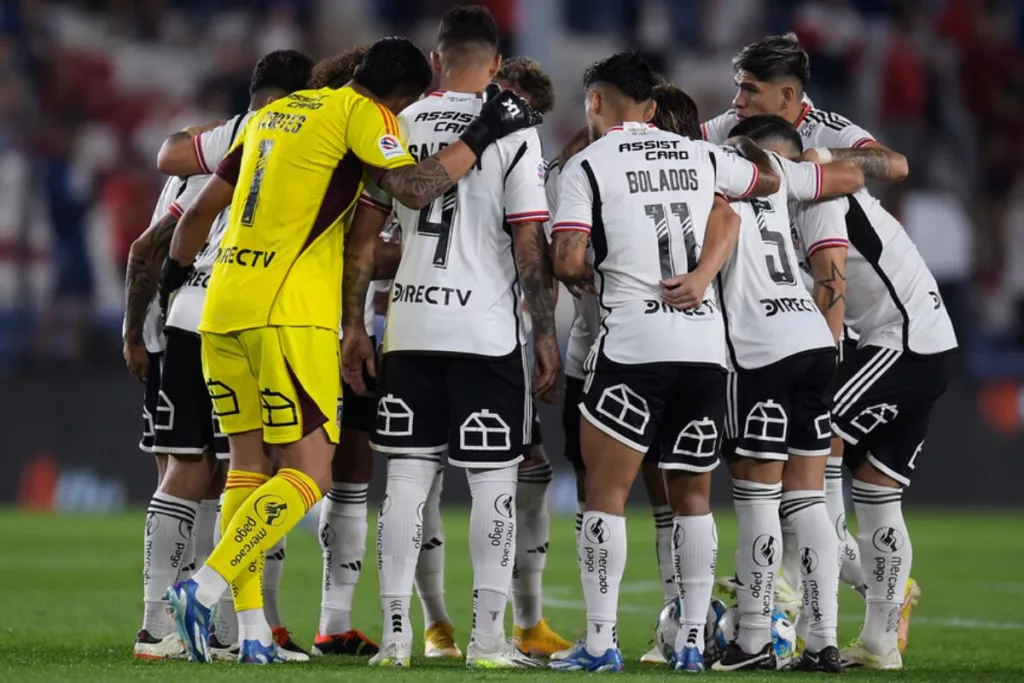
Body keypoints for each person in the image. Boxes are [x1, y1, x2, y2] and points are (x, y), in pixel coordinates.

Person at [158, 35, 541, 665]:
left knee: (248, 465)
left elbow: (200, 208)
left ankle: (252, 633)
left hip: (221, 308)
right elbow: (414, 189)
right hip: (288, 315)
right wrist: (483, 132)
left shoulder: (276, 112)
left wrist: (176, 282)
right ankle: (204, 587)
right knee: (310, 475)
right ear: (405, 98)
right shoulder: (365, 116)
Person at [547, 52, 776, 674]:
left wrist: (601, 269)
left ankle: (599, 643)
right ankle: (694, 644)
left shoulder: (586, 164)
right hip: (705, 346)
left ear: (593, 102)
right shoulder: (703, 155)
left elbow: (568, 259)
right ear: (653, 107)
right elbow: (767, 183)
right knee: (694, 497)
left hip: (634, 345)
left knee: (605, 494)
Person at [343, 7, 557, 668]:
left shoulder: (399, 123)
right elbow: (528, 240)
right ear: (495, 65)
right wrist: (543, 330)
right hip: (485, 330)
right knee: (494, 484)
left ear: (437, 60)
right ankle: (490, 640)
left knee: (405, 483)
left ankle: (400, 636)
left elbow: (360, 243)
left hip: (407, 324)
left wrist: (355, 324)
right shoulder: (517, 129)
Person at [702, 32, 921, 640]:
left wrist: (818, 166)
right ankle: (872, 592)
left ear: (790, 96)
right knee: (804, 476)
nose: (737, 100)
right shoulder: (726, 128)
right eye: (737, 86)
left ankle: (785, 600)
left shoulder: (827, 131)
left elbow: (896, 165)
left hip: (870, 327)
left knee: (804, 468)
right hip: (809, 323)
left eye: (750, 89)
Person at [140, 51, 317, 663]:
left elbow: (164, 202)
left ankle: (196, 627)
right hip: (246, 311)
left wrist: (155, 308)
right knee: (241, 470)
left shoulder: (227, 138)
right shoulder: (289, 134)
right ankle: (204, 619)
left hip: (189, 310)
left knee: (220, 471)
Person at [783, 123, 958, 672]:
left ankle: (798, 606)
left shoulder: (821, 193)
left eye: (749, 94)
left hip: (899, 341)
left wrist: (819, 364)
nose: (738, 106)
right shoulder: (817, 186)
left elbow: (830, 286)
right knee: (879, 490)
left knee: (811, 446)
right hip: (925, 340)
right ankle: (882, 644)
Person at [708, 113, 865, 673]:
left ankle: (751, 641)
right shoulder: (781, 173)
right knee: (808, 500)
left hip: (760, 350)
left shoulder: (719, 175)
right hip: (813, 337)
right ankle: (821, 641)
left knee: (756, 497)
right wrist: (813, 162)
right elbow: (854, 175)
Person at [492, 55, 574, 660]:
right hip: (472, 325)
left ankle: (524, 622)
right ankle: (456, 626)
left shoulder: (520, 148)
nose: (522, 118)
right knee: (421, 475)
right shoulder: (489, 139)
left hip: (472, 322)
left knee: (529, 464)